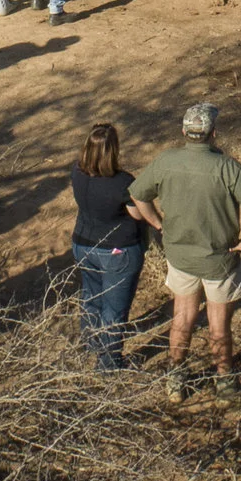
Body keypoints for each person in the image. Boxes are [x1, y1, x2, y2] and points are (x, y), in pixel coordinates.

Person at [128, 102, 241, 402]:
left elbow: (138, 195)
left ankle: (176, 379)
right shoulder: (227, 167)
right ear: (213, 133)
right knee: (219, 324)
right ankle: (225, 382)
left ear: (184, 132)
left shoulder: (166, 161)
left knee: (183, 316)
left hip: (180, 257)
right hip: (220, 260)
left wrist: (158, 224)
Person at [68, 122, 146, 370]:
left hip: (82, 244)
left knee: (91, 298)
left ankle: (90, 345)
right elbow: (137, 214)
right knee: (114, 308)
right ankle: (109, 363)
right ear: (113, 150)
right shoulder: (123, 182)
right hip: (116, 251)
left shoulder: (77, 173)